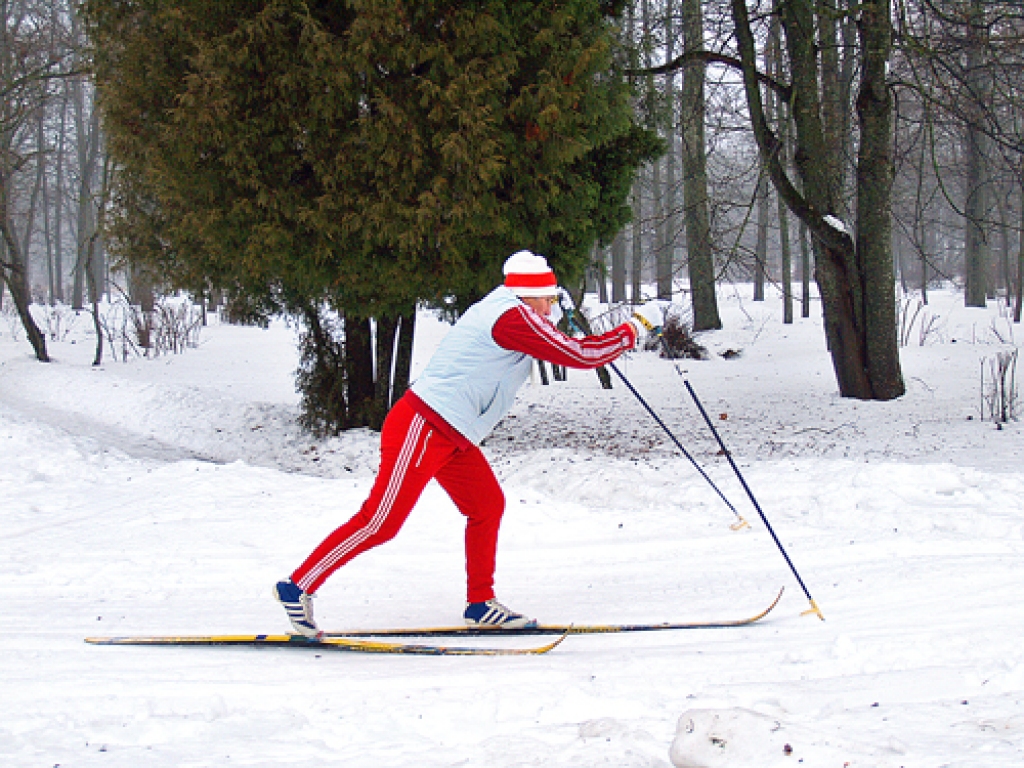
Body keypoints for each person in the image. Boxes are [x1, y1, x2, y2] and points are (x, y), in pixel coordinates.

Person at [275, 250, 665, 636]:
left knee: (486, 505)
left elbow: (556, 345)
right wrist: (634, 328)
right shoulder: (512, 317)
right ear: (529, 295)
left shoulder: (513, 310)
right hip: (424, 425)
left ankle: (481, 604)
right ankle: (297, 586)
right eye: (548, 298)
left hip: (453, 432)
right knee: (381, 521)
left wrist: (567, 328)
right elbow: (579, 355)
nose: (552, 305)